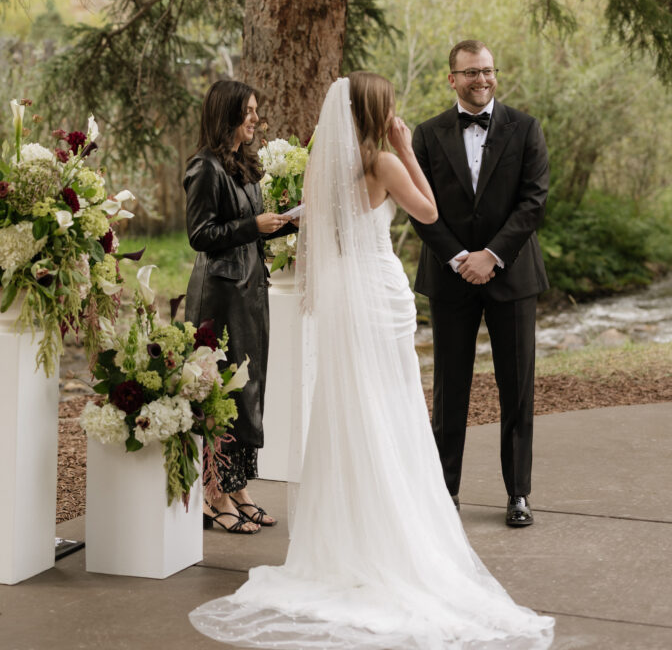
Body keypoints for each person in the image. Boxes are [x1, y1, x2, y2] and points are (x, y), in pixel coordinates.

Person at [189, 72, 554, 649]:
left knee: (347, 404)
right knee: (391, 405)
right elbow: (429, 212)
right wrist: (406, 147)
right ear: (378, 111)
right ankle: (393, 530)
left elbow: (315, 227)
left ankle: (345, 536)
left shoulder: (321, 166)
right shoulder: (383, 162)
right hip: (379, 293)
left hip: (340, 295)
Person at [411, 40, 550, 527]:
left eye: (487, 71)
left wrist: (490, 256)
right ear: (451, 78)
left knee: (517, 389)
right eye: (470, 72)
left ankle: (518, 495)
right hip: (451, 279)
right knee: (450, 389)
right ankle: (444, 494)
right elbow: (419, 207)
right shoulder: (426, 136)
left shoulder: (526, 128)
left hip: (511, 275)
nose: (481, 80)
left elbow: (533, 202)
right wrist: (457, 258)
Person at [184, 79, 293, 534]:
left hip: (251, 291)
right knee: (222, 390)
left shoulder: (243, 164)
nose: (254, 118)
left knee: (249, 390)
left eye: (255, 110)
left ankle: (239, 485)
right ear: (226, 113)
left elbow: (249, 227)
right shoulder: (204, 168)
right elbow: (200, 235)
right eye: (247, 110)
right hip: (220, 296)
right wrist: (253, 225)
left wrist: (284, 224)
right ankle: (214, 493)